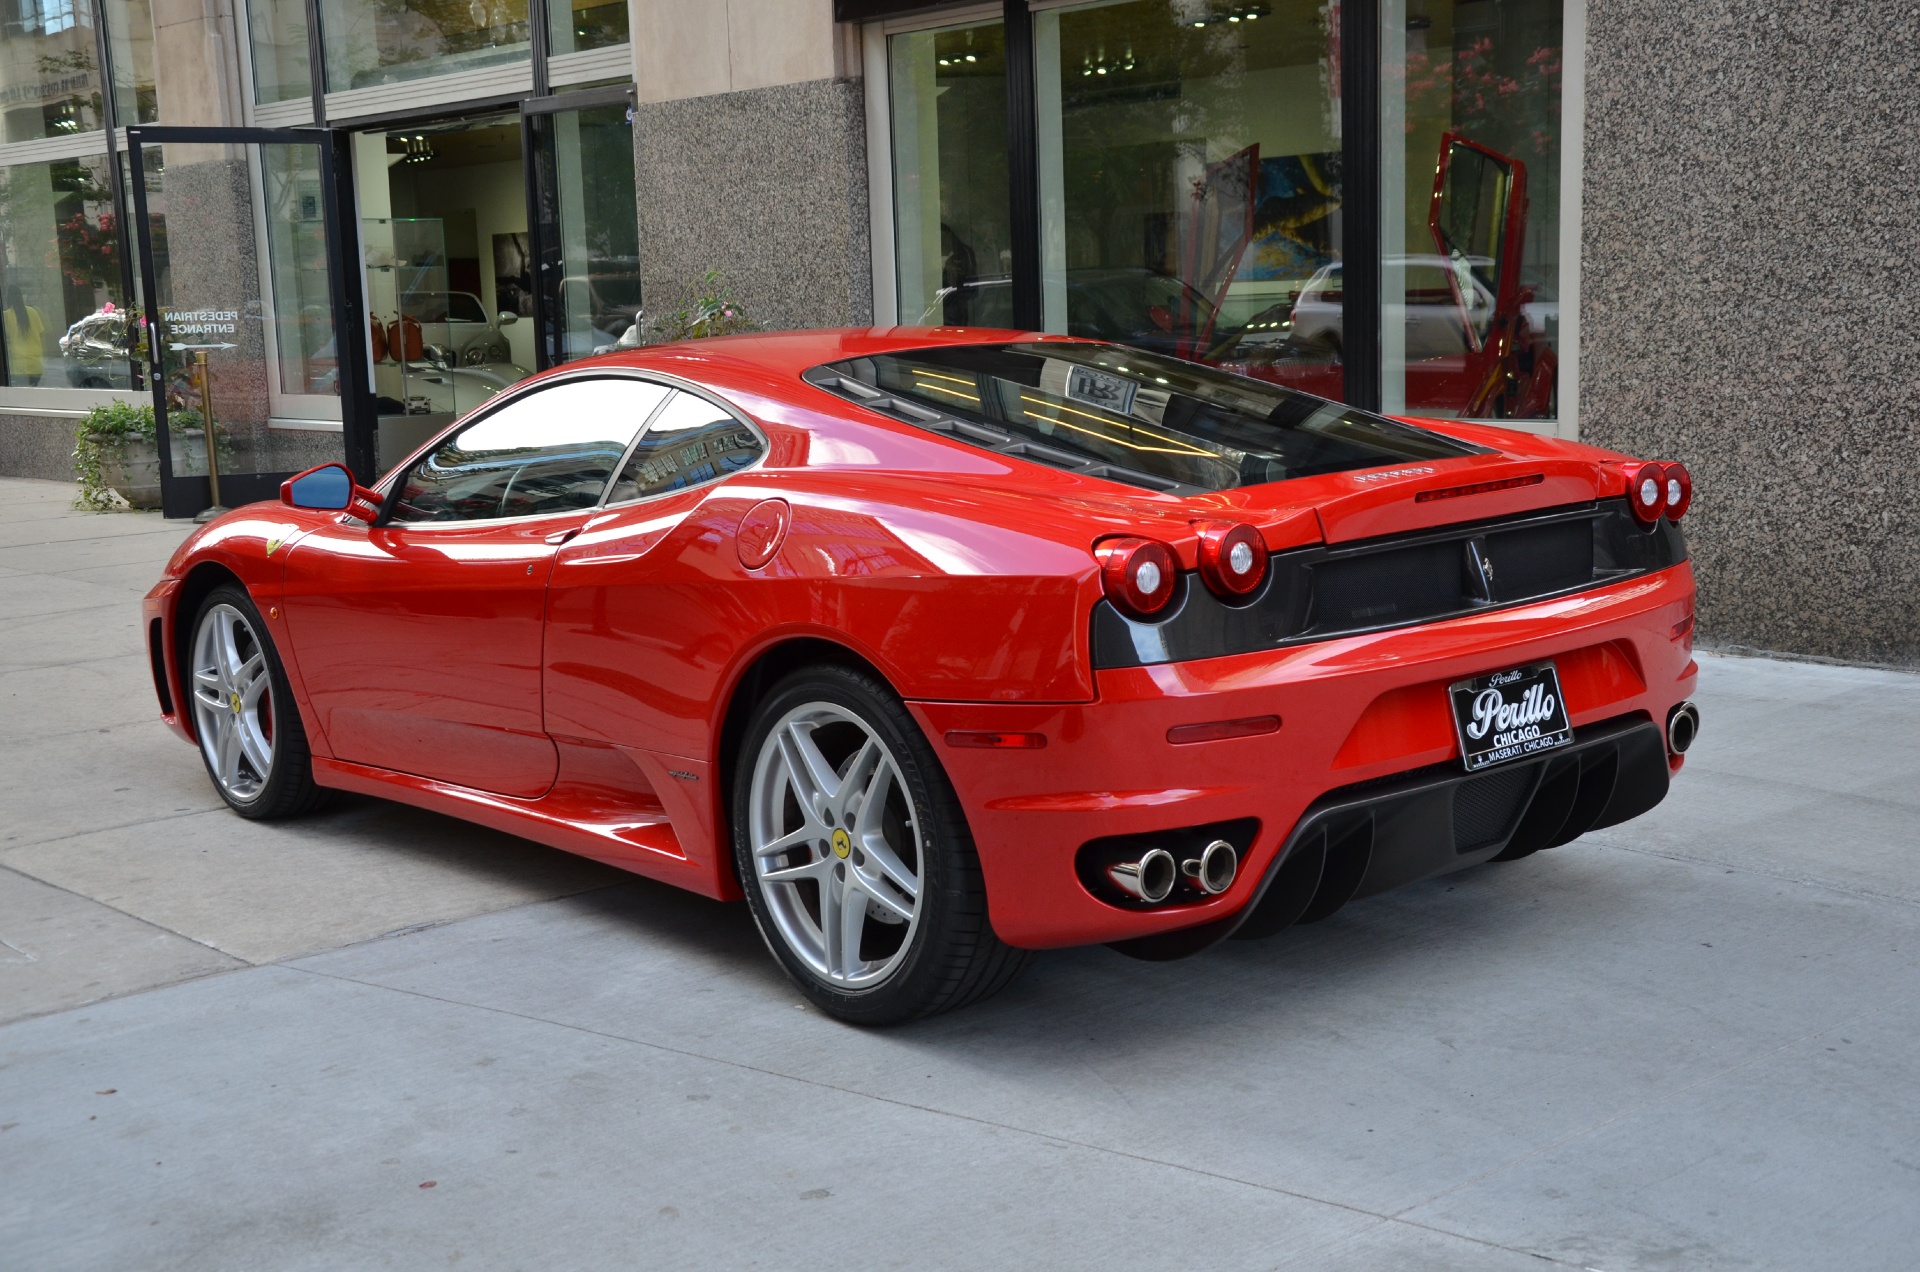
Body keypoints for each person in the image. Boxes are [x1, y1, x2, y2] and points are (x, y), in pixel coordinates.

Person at [4, 285, 47, 386]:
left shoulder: (6, 315)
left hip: (19, 366)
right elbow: (41, 335)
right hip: (36, 364)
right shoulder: (33, 312)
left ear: (8, 298)